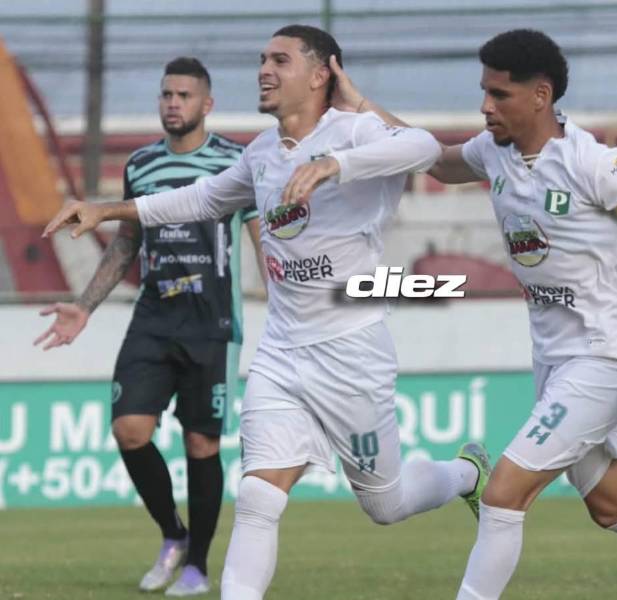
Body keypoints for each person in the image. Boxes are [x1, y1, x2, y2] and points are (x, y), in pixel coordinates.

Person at [42, 25, 492, 600]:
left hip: (350, 352)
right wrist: (108, 208)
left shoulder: (354, 132)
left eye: (280, 59)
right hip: (282, 352)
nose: (264, 69)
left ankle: (466, 475)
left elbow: (425, 150)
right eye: (261, 59)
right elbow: (205, 198)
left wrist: (336, 165)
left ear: (320, 73)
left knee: (386, 503)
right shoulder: (259, 153)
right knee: (257, 497)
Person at [327, 28, 617, 600]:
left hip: (605, 358)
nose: (486, 106)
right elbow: (434, 162)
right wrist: (361, 106)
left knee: (501, 494)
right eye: (483, 92)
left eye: (500, 94)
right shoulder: (492, 152)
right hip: (556, 363)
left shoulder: (596, 164)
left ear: (541, 95)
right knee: (615, 506)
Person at [36, 57, 264, 596]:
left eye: (184, 95)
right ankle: (173, 535)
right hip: (153, 318)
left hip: (212, 323)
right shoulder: (140, 165)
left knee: (201, 445)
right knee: (129, 429)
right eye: (166, 94)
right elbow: (126, 242)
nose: (172, 103)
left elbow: (261, 236)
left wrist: (285, 305)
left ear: (206, 105)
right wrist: (85, 306)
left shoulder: (236, 161)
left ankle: (198, 566)